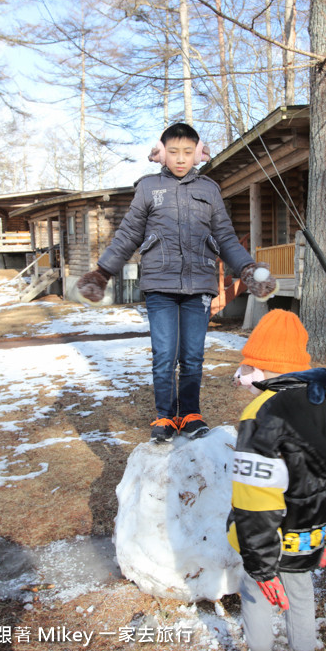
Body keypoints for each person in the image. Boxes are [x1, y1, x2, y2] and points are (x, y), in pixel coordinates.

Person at [76, 122, 277, 443]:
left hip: (199, 284)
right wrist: (102, 272)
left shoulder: (210, 189)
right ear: (163, 153)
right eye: (173, 152)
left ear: (197, 153)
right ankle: (165, 416)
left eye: (187, 152)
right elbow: (128, 235)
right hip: (159, 286)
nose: (180, 159)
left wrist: (247, 270)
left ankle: (191, 413)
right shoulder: (148, 188)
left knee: (193, 355)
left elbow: (225, 237)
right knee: (165, 354)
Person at [227, 309, 326, 651]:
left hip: (269, 537)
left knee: (257, 594)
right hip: (309, 532)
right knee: (300, 594)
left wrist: (260, 563)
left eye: (248, 365)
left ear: (260, 367)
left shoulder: (260, 413)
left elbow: (254, 499)